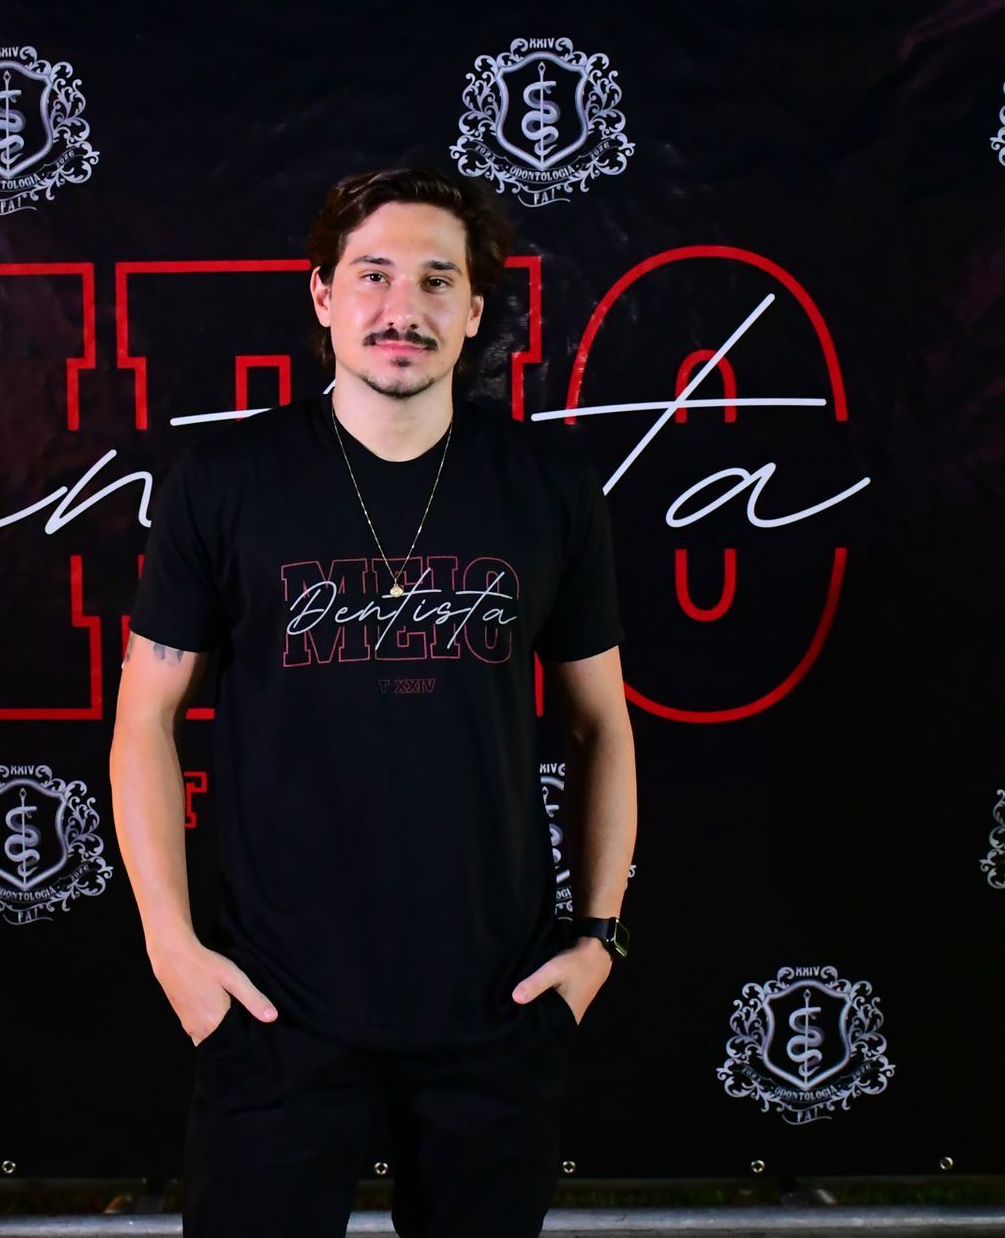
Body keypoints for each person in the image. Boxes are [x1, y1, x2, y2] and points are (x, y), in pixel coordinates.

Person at [109, 167, 638, 1237]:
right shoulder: (227, 478)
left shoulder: (547, 482)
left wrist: (598, 940)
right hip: (274, 1007)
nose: (405, 308)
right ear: (322, 294)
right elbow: (144, 721)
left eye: (439, 280)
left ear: (475, 310)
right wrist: (173, 950)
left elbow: (602, 724)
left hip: (498, 1006)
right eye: (374, 274)